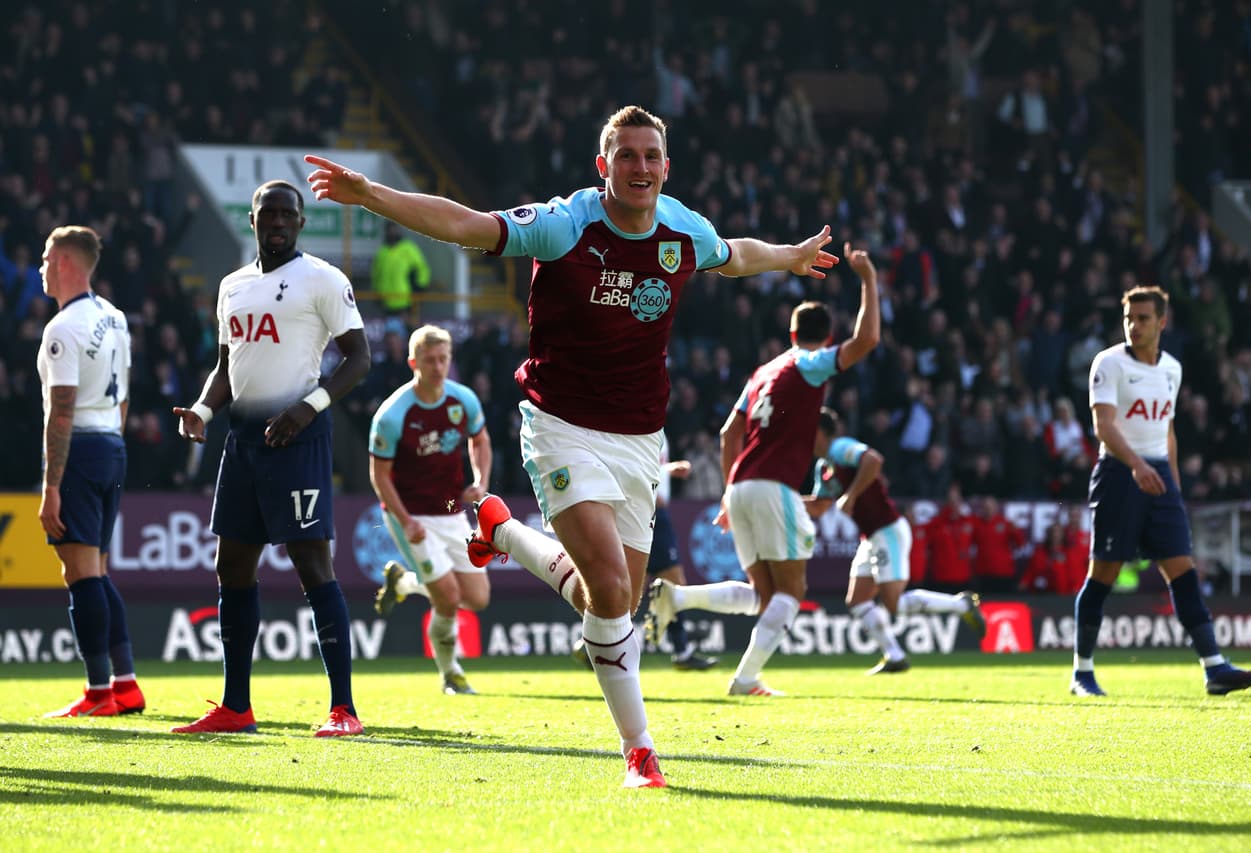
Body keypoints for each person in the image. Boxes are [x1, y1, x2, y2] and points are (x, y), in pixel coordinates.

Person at [305, 105, 839, 787]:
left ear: (666, 167)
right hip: (561, 425)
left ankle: (503, 532)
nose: (640, 167)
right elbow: (468, 225)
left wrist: (790, 256)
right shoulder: (565, 223)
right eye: (627, 155)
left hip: (640, 437)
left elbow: (736, 256)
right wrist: (371, 194)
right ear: (603, 165)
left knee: (613, 601)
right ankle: (639, 752)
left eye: (651, 156)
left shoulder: (683, 230)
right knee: (612, 590)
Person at [171, 180, 372, 735]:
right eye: (268, 214)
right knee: (232, 565)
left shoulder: (323, 279)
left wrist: (309, 407)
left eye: (287, 213)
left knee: (312, 564)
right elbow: (226, 366)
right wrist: (202, 411)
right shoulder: (232, 286)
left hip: (298, 440)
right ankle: (236, 707)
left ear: (301, 222)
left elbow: (359, 358)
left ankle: (344, 710)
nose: (278, 221)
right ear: (253, 221)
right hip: (243, 443)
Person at [648, 252, 881, 697]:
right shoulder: (808, 363)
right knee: (792, 591)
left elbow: (728, 433)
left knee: (763, 595)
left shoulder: (761, 373)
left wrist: (728, 492)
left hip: (741, 486)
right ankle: (745, 678)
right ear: (825, 338)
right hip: (774, 486)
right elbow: (867, 340)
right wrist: (869, 279)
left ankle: (678, 597)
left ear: (791, 333)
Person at [1071, 285, 1251, 697]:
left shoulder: (1172, 370)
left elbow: (1168, 430)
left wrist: (1172, 485)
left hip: (1158, 474)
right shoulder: (1109, 363)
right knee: (1103, 574)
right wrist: (1137, 465)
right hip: (1119, 474)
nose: (1134, 326)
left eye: (1143, 318)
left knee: (1183, 572)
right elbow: (1103, 426)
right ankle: (1082, 672)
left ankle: (1214, 667)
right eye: (1129, 318)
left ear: (1162, 322)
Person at [37, 225, 145, 718]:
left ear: (64, 261)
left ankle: (99, 692)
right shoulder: (115, 317)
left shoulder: (63, 328)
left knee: (80, 575)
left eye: (46, 258)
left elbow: (62, 411)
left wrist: (51, 486)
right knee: (98, 571)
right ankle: (126, 683)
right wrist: (111, 445)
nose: (41, 267)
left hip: (80, 449)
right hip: (111, 445)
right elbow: (124, 398)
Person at [806, 407, 986, 676]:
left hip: (887, 530)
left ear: (820, 432)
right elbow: (819, 506)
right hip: (871, 537)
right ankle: (895, 655)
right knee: (857, 601)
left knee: (894, 605)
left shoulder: (840, 447)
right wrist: (782, 500)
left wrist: (851, 496)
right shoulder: (824, 466)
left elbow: (873, 460)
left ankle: (962, 605)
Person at [369, 323, 492, 695]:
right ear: (413, 362)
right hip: (411, 516)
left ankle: (404, 583)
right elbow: (379, 475)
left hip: (451, 509)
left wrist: (480, 481)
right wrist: (405, 521)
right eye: (430, 360)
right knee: (448, 598)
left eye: (443, 359)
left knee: (478, 598)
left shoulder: (463, 400)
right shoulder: (393, 414)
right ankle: (450, 673)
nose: (438, 367)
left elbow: (481, 441)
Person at [572, 434, 718, 671]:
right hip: (645, 511)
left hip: (650, 511)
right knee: (664, 583)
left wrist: (666, 470)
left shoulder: (657, 429)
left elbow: (641, 463)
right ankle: (679, 650)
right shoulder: (638, 426)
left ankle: (593, 643)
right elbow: (626, 462)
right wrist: (661, 478)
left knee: (642, 584)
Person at [371, 221, 430, 317]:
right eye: (389, 230)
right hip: (386, 300)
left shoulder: (408, 248)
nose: (392, 233)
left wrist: (420, 287)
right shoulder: (382, 252)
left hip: (405, 300)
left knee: (407, 324)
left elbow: (421, 268)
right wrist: (376, 292)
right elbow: (376, 275)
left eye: (394, 229)